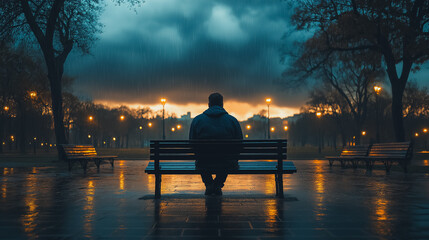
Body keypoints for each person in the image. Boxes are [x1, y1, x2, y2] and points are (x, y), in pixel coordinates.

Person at [189, 93, 243, 196]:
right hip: (227, 162)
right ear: (222, 104)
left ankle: (209, 184)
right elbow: (240, 144)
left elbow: (192, 144)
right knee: (227, 159)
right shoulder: (232, 120)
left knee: (202, 159)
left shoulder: (197, 120)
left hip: (204, 162)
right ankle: (218, 184)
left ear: (209, 104)